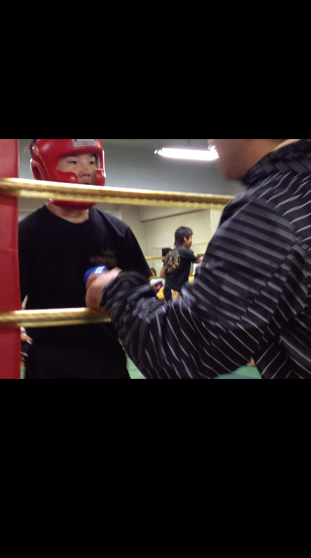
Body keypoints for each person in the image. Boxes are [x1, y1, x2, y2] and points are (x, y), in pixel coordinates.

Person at [85, 139, 311, 379]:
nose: (211, 140)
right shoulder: (294, 194)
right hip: (180, 293)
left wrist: (116, 286)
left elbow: (181, 351)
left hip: (173, 293)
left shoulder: (269, 211)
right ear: (187, 239)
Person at [18, 139, 151, 379]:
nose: (86, 170)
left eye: (92, 161)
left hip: (108, 361)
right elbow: (5, 303)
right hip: (51, 364)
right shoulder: (27, 234)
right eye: (73, 162)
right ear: (40, 171)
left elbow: (143, 292)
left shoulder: (118, 231)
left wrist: (121, 281)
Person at [160, 227, 203, 301]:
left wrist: (172, 281)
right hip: (176, 292)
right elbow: (203, 260)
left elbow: (162, 274)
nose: (191, 241)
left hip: (167, 289)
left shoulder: (169, 253)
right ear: (185, 239)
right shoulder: (186, 251)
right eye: (191, 238)